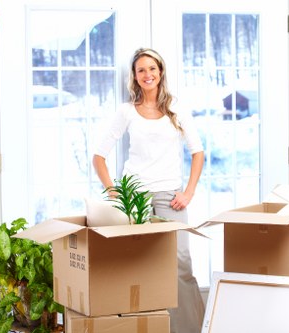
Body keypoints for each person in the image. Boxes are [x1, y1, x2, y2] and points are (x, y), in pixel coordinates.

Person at [92, 48, 205, 333]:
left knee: (180, 265)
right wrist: (113, 191)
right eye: (141, 70)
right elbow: (98, 156)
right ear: (134, 76)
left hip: (171, 199)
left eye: (152, 69)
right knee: (138, 267)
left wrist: (188, 192)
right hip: (136, 201)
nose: (147, 75)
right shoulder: (126, 112)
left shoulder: (176, 109)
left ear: (161, 72)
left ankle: (192, 329)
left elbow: (198, 153)